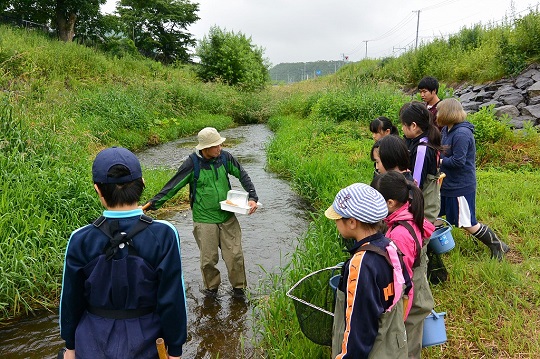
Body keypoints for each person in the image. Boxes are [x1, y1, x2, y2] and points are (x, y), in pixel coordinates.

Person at [59, 147, 187, 359]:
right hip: (147, 343)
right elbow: (172, 299)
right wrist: (175, 350)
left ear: (98, 190)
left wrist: (71, 347)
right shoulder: (164, 234)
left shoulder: (80, 238)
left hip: (91, 344)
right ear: (142, 184)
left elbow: (70, 300)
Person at [144, 127, 258, 297]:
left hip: (227, 216)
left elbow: (242, 174)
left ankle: (239, 290)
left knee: (235, 256)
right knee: (208, 260)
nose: (220, 148)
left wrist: (253, 197)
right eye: (216, 146)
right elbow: (172, 186)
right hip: (204, 219)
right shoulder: (192, 164)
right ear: (204, 148)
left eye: (220, 144)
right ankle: (211, 291)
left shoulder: (225, 158)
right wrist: (150, 205)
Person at [326, 183, 409, 359]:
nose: (335, 222)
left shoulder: (360, 264)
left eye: (337, 218)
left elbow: (359, 327)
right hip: (394, 347)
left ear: (351, 222)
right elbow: (406, 288)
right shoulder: (390, 246)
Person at [371, 171, 435, 359]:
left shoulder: (400, 234)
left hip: (410, 297)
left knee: (406, 344)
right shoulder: (408, 213)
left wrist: (397, 314)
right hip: (416, 287)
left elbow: (402, 283)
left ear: (390, 203)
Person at [437, 98, 510, 260]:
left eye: (439, 111)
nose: (437, 114)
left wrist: (439, 161)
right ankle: (434, 246)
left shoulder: (462, 134)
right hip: (447, 183)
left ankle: (498, 245)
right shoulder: (446, 130)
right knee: (434, 213)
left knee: (467, 223)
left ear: (447, 113)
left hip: (460, 185)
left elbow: (458, 161)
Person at [400, 101, 447, 285]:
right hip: (429, 201)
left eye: (404, 125)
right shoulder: (426, 140)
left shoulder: (421, 149)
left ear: (413, 126)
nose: (402, 129)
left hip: (424, 204)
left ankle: (420, 286)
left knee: (419, 246)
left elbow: (415, 184)